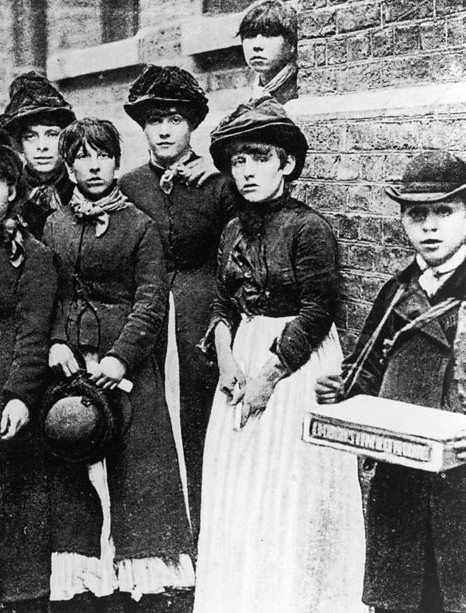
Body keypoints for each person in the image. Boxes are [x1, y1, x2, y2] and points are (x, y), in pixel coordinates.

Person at [193, 96, 366, 613]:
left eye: (260, 158)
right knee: (240, 485)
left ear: (286, 164)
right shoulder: (231, 229)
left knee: (289, 487)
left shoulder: (308, 227)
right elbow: (223, 300)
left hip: (297, 363)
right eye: (238, 161)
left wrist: (268, 375)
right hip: (243, 355)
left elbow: (318, 311)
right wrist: (225, 355)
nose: (246, 171)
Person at [43, 118, 193, 613]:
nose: (93, 165)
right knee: (75, 464)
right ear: (69, 165)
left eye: (102, 155)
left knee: (135, 469)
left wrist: (119, 356)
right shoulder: (56, 224)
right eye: (81, 156)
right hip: (71, 367)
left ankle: (143, 582)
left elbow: (151, 302)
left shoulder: (139, 225)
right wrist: (58, 341)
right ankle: (87, 576)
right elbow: (54, 293)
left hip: (124, 367)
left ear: (115, 160)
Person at [316, 151, 466, 613]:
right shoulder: (398, 290)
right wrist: (344, 394)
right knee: (401, 594)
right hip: (401, 475)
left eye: (445, 212)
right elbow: (368, 368)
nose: (430, 227)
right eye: (416, 215)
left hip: (460, 481)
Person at [120, 64, 238, 537]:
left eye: (175, 119)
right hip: (148, 316)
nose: (165, 130)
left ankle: (210, 534)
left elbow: (238, 253)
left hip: (200, 318)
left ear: (193, 125)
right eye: (154, 120)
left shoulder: (219, 184)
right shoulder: (129, 186)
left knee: (202, 421)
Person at [0, 129, 57, 613]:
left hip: (1, 378)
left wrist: (17, 394)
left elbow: (34, 334)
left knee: (1, 489)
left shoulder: (34, 257)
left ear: (12, 190)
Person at [0, 71, 76, 238]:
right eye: (31, 137)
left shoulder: (84, 196)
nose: (42, 147)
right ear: (19, 144)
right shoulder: (1, 201)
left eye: (52, 135)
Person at [239, 0, 298, 104]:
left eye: (269, 35)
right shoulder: (255, 93)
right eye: (250, 36)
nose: (257, 45)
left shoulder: (299, 89)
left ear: (291, 44)